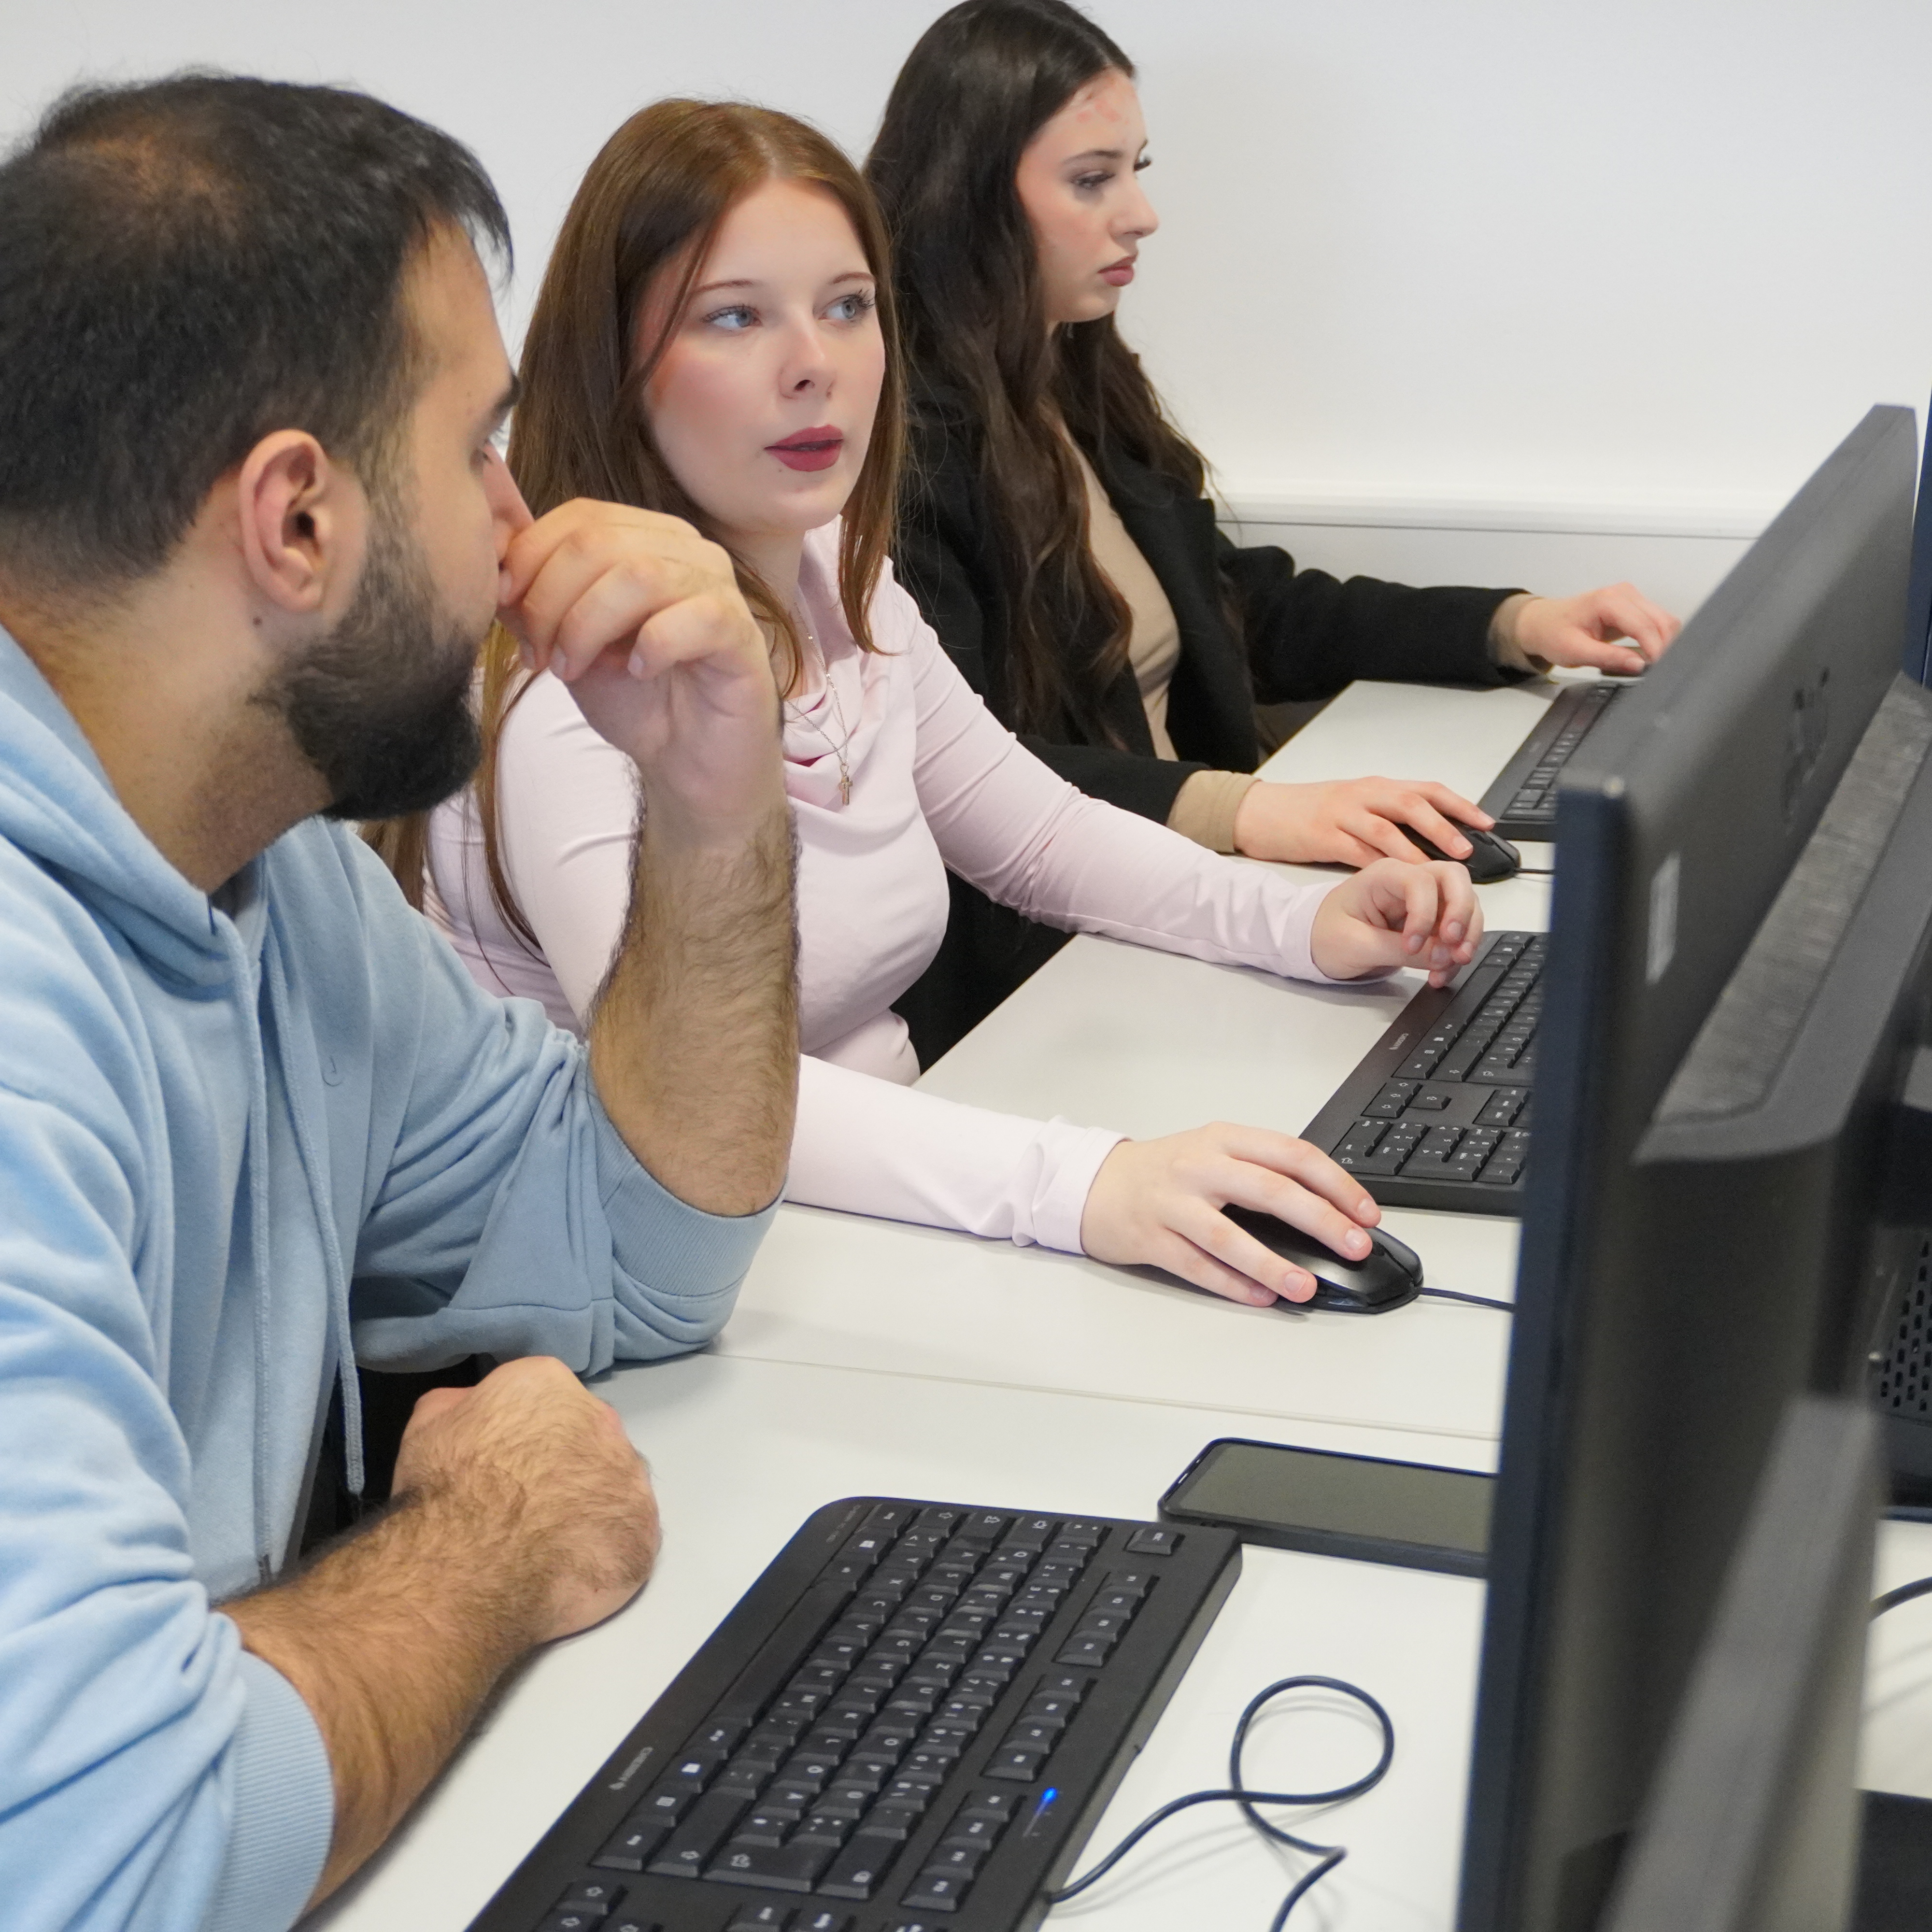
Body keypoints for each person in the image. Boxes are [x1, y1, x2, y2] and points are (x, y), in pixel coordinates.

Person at [0, 76, 799, 1930]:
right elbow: (114, 1851)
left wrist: (710, 804)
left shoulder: (261, 866)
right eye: (478, 451)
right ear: (296, 521)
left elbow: (642, 1250)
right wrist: (490, 1541)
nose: (522, 531)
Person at [394, 97, 1481, 1323]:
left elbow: (1038, 835)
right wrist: (1083, 1182)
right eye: (734, 316)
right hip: (656, 1297)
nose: (813, 363)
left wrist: (1298, 924)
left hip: (873, 1219)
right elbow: (687, 1097)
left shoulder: (838, 579)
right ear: (615, 365)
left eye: (846, 305)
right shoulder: (574, 684)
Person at [866, 0, 1682, 1051]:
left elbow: (1241, 607)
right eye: (1091, 179)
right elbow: (971, 774)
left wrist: (1512, 624)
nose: (1141, 215)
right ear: (969, 198)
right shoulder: (899, 455)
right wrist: (1252, 813)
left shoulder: (1069, 379)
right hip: (1054, 964)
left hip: (1190, 896)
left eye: (1135, 170)